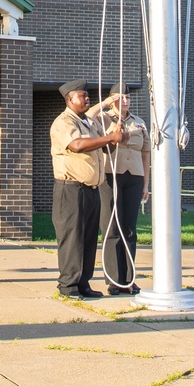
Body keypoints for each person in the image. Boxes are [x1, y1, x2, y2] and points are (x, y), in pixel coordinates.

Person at [49, 80, 120, 299]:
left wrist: (116, 137)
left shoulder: (90, 123)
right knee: (72, 237)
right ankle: (68, 284)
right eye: (83, 95)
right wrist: (109, 138)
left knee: (88, 237)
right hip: (70, 188)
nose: (87, 98)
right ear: (70, 99)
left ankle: (83, 282)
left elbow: (106, 147)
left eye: (88, 95)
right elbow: (76, 145)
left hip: (91, 188)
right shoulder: (63, 122)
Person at [98, 83, 150, 295]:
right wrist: (106, 104)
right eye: (120, 97)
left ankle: (129, 279)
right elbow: (92, 117)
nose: (125, 101)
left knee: (129, 228)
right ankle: (113, 278)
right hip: (111, 176)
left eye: (127, 97)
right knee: (111, 227)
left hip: (134, 177)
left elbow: (146, 153)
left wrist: (146, 184)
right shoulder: (103, 118)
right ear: (112, 99)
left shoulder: (139, 122)